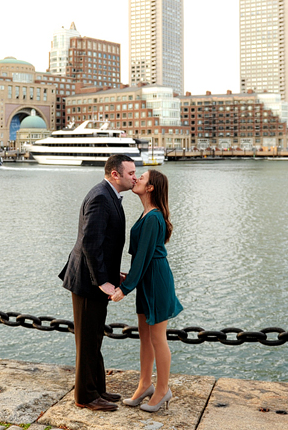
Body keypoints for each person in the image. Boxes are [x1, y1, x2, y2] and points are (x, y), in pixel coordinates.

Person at [59, 154, 137, 412]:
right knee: (87, 340)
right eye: (130, 173)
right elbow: (90, 244)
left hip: (94, 279)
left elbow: (105, 244)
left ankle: (98, 389)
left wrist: (114, 276)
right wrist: (103, 281)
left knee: (94, 338)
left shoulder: (108, 195)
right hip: (87, 282)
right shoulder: (102, 197)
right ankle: (85, 396)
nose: (134, 177)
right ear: (115, 174)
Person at [111, 169, 183, 413]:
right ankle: (145, 385)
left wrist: (125, 287)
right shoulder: (147, 214)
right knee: (145, 336)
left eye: (141, 177)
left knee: (157, 337)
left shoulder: (153, 217)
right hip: (146, 278)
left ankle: (163, 390)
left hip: (157, 280)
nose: (136, 179)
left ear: (151, 187)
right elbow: (141, 257)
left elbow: (143, 256)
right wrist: (130, 277)